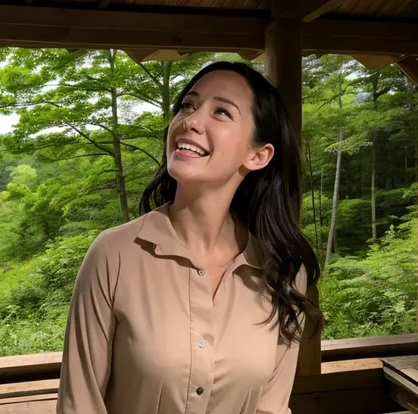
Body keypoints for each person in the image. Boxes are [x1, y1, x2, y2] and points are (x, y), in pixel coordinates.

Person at [57, 61, 321, 414]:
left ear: (259, 155)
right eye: (187, 106)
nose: (190, 122)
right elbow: (80, 405)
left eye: (221, 112)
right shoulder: (114, 254)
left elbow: (271, 408)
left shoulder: (285, 273)